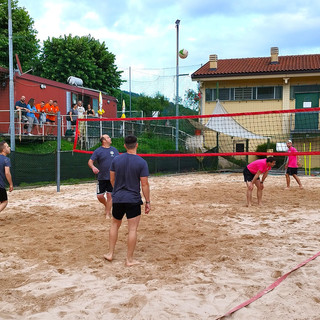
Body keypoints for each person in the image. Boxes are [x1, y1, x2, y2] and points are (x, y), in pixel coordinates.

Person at [104, 135, 151, 266]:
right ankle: (129, 260)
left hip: (118, 198)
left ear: (124, 146)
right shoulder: (142, 162)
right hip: (133, 199)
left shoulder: (116, 160)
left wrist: (118, 191)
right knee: (132, 229)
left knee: (114, 225)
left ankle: (110, 254)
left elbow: (112, 180)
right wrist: (148, 202)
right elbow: (144, 184)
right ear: (137, 145)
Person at [88, 134, 119, 218]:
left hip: (112, 177)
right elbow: (90, 161)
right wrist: (93, 167)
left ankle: (108, 214)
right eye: (108, 137)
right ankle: (107, 206)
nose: (110, 138)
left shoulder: (114, 150)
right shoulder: (98, 151)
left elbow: (119, 162)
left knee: (110, 195)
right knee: (100, 196)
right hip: (102, 177)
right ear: (104, 140)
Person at [0, 141, 13, 214]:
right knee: (4, 202)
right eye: (7, 147)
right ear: (3, 150)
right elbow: (7, 173)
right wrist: (11, 184)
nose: (9, 148)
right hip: (0, 185)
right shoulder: (6, 160)